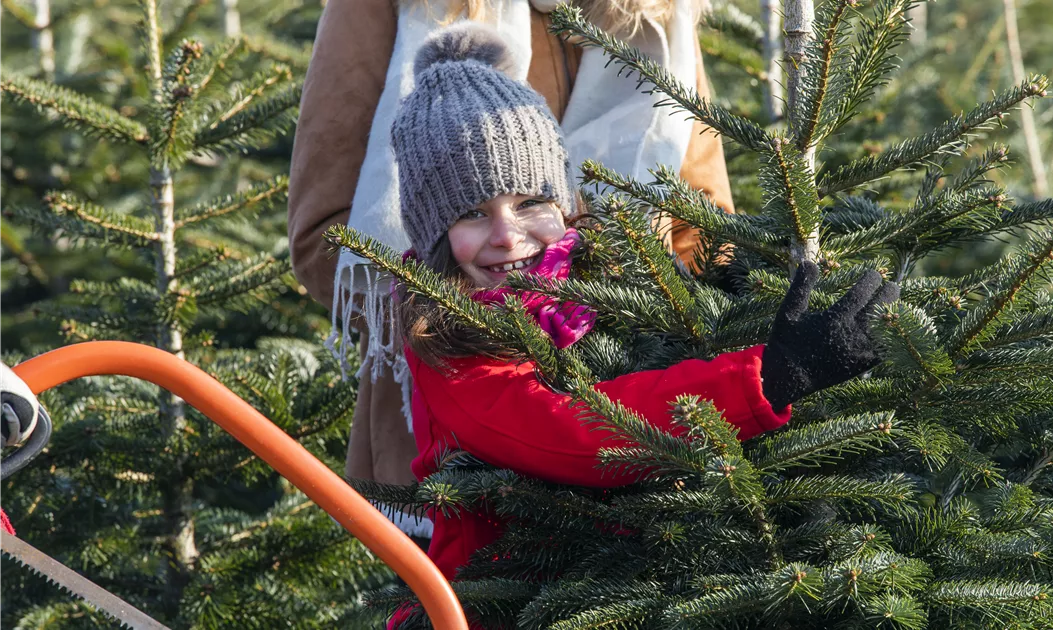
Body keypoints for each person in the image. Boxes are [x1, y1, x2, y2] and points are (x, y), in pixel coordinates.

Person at [380, 24, 899, 618]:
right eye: (472, 214)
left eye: (529, 203)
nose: (507, 235)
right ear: (433, 235)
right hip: (501, 603)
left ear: (561, 201)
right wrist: (769, 375)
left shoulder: (605, 270)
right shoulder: (449, 342)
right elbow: (570, 432)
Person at [287, 0, 738, 505]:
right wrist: (469, 337)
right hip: (450, 454)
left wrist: (646, 325)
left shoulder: (656, 12)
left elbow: (702, 223)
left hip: (645, 400)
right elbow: (324, 236)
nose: (507, 232)